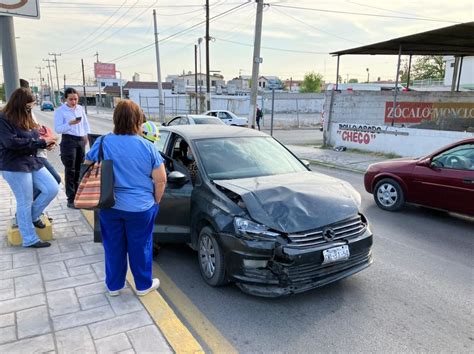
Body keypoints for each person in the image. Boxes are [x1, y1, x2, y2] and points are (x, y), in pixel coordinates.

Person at [84, 100, 167, 297]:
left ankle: (114, 286)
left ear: (115, 119)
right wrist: (156, 201)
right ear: (138, 120)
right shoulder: (148, 147)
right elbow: (161, 180)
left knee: (113, 245)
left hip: (109, 204)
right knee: (140, 246)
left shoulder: (103, 142)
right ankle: (142, 285)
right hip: (140, 207)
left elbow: (87, 165)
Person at [0, 88, 60, 248]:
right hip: (14, 165)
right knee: (25, 201)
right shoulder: (3, 118)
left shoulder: (25, 116)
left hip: (32, 160)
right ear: (19, 104)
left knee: (52, 187)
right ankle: (29, 239)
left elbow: (35, 136)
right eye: (28, 106)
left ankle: (32, 216)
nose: (30, 109)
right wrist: (40, 143)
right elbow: (11, 143)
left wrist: (46, 143)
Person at [19, 79, 61, 203]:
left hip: (38, 153)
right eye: (29, 92)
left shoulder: (29, 111)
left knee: (40, 186)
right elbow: (24, 137)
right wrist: (43, 143)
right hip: (33, 156)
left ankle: (32, 213)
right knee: (54, 180)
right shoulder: (17, 114)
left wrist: (47, 142)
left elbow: (35, 130)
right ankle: (31, 213)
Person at [54, 87, 90, 208]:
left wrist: (86, 136)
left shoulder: (80, 108)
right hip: (69, 140)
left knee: (81, 169)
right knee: (70, 170)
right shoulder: (60, 111)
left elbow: (85, 124)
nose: (73, 102)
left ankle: (79, 195)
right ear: (65, 99)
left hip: (81, 140)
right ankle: (71, 198)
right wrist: (69, 123)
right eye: (71, 99)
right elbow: (58, 129)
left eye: (75, 99)